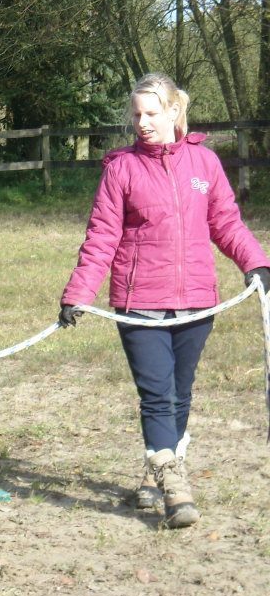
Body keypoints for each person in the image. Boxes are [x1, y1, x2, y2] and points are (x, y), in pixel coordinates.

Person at [58, 73, 270, 529]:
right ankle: (176, 490)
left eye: (151, 113)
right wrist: (79, 292)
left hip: (197, 302)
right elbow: (102, 238)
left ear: (174, 112)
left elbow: (226, 223)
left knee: (180, 395)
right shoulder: (121, 168)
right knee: (157, 397)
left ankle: (155, 475)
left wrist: (256, 262)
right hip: (140, 304)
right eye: (136, 115)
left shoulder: (205, 163)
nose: (142, 122)